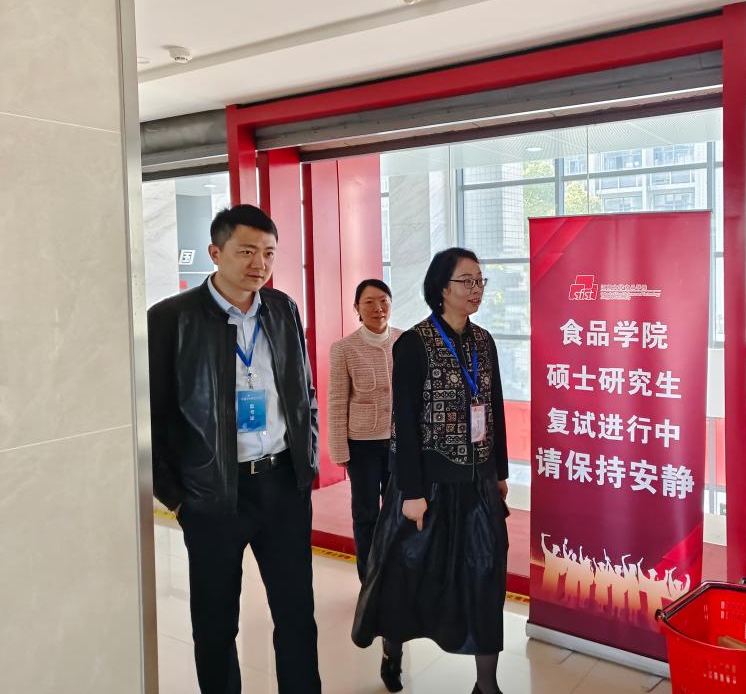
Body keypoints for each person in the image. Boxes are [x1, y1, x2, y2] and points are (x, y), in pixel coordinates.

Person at [148, 204, 321, 694]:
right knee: (216, 623)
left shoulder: (283, 309)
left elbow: (303, 392)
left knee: (296, 615)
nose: (259, 264)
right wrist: (177, 497)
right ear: (215, 251)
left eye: (269, 253)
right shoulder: (170, 319)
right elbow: (152, 418)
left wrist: (305, 462)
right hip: (212, 494)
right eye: (246, 251)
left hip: (283, 486)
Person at [352, 248, 509, 694]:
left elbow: (493, 408)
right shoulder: (414, 343)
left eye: (480, 281)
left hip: (477, 484)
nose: (476, 289)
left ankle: (486, 685)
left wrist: (499, 471)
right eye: (467, 281)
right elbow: (403, 421)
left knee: (485, 576)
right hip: (427, 487)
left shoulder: (484, 342)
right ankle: (392, 653)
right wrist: (412, 492)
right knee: (406, 576)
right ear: (441, 288)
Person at [327, 278, 404, 691]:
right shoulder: (344, 348)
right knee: (366, 515)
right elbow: (337, 400)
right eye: (370, 302)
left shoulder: (407, 341)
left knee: (399, 513)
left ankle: (396, 577)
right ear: (357, 308)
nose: (378, 308)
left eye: (383, 301)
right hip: (363, 444)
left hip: (400, 444)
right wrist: (339, 449)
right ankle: (368, 583)